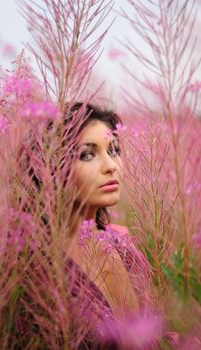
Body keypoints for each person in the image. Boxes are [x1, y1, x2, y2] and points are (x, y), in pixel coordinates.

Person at [15, 102, 152, 349]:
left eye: (114, 150)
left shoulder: (123, 245)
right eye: (87, 154)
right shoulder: (36, 268)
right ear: (50, 168)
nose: (111, 166)